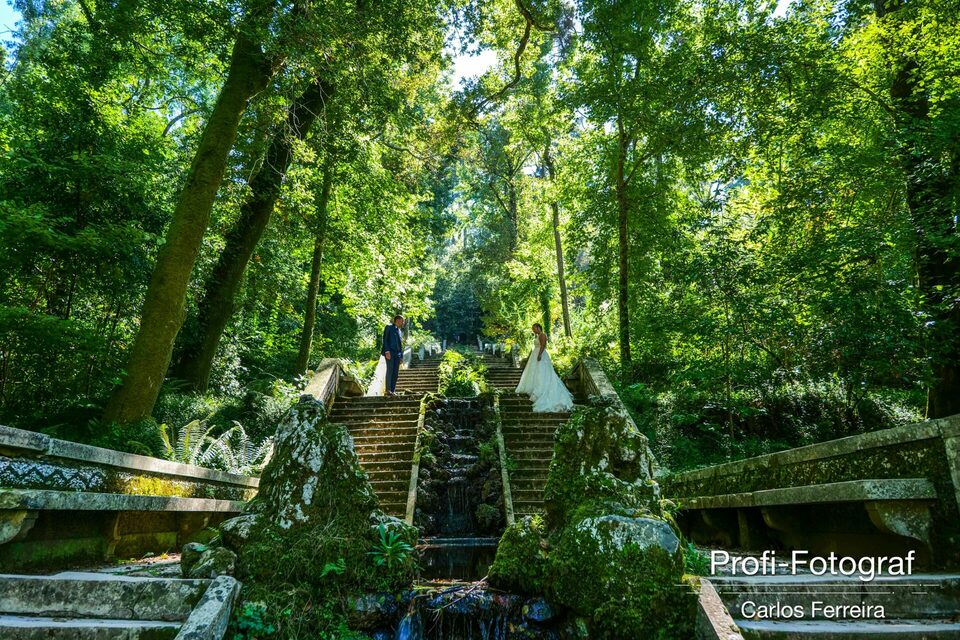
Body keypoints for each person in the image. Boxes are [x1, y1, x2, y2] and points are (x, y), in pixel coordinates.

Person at [515, 323, 574, 412]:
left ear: (539, 328)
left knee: (542, 372)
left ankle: (540, 390)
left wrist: (539, 354)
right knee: (535, 372)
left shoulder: (542, 335)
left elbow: (543, 345)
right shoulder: (538, 335)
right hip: (535, 355)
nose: (533, 330)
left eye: (534, 328)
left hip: (541, 355)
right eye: (532, 329)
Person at [382, 315, 405, 395]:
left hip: (397, 354)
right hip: (390, 353)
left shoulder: (399, 331)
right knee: (390, 371)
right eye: (402, 321)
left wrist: (401, 356)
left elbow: (400, 345)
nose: (403, 323)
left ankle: (392, 390)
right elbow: (385, 340)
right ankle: (387, 390)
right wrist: (387, 351)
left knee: (395, 373)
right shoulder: (389, 327)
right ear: (397, 320)